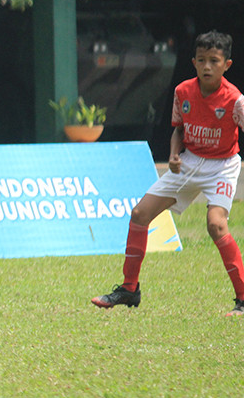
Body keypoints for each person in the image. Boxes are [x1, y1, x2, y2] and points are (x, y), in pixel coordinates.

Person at [92, 30, 244, 316]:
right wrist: (174, 154)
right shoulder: (183, 92)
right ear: (194, 62)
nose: (207, 66)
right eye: (202, 60)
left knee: (216, 225)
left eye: (214, 60)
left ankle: (243, 299)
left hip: (222, 166)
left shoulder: (235, 100)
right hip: (188, 161)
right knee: (139, 214)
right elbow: (179, 129)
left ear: (227, 65)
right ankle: (129, 289)